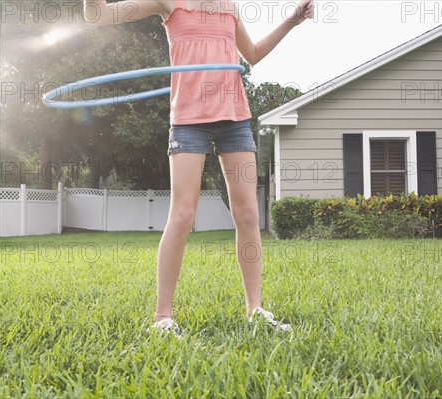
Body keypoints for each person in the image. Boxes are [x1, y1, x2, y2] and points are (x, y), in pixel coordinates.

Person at [83, 0, 314, 336]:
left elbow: (251, 53)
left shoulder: (228, 6)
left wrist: (290, 22)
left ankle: (255, 309)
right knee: (182, 215)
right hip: (189, 121)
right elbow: (99, 15)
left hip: (234, 117)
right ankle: (163, 317)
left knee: (248, 214)